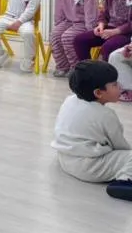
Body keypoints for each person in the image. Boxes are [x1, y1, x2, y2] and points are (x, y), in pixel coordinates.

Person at [51, 61, 132, 202]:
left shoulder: (69, 100)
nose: (120, 86)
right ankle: (124, 182)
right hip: (89, 167)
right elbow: (120, 146)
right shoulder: (106, 115)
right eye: (114, 85)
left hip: (65, 158)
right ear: (98, 93)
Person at [51, 0, 98, 78]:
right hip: (67, 22)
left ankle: (76, 67)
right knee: (55, 35)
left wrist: (90, 31)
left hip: (83, 24)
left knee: (67, 37)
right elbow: (58, 12)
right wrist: (58, 26)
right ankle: (62, 66)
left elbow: (90, 14)